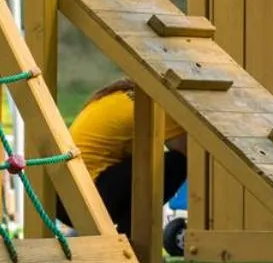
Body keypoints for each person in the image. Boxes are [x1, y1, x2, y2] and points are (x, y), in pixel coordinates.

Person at [57, 79, 187, 237]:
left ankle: (117, 235)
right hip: (88, 199)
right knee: (177, 163)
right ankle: (132, 239)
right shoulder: (155, 105)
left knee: (148, 162)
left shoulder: (120, 95)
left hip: (60, 197)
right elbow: (190, 154)